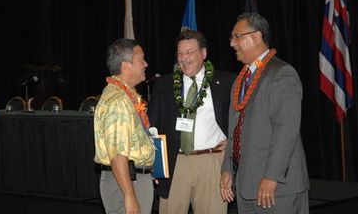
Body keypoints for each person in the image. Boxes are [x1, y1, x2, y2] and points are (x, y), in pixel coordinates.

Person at [220, 13, 309, 213]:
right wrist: (227, 168)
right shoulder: (241, 79)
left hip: (276, 189)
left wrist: (272, 177)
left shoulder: (282, 73)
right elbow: (234, 131)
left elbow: (286, 131)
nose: (232, 43)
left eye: (237, 36)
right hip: (246, 187)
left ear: (257, 37)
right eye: (231, 37)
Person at [148, 30, 236, 214]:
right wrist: (157, 168)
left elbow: (239, 120)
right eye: (180, 53)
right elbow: (153, 128)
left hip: (212, 162)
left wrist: (233, 141)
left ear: (203, 54)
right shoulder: (164, 85)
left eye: (189, 52)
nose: (183, 58)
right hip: (175, 163)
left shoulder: (226, 82)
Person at [94, 38, 155, 214]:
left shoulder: (127, 93)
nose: (145, 64)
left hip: (134, 178)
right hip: (126, 181)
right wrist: (129, 195)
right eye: (141, 59)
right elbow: (118, 154)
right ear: (126, 66)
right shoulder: (118, 101)